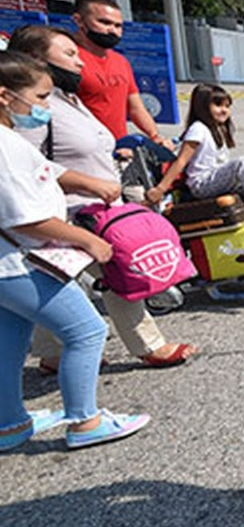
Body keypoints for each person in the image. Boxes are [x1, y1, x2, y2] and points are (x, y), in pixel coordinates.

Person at [9, 25, 197, 371]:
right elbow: (26, 164)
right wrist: (89, 183)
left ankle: (54, 354)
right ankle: (92, 399)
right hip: (67, 213)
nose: (79, 63)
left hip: (95, 207)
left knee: (70, 280)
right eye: (68, 54)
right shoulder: (32, 108)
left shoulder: (68, 99)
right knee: (110, 274)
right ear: (35, 59)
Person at [0, 50, 150, 451]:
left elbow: (47, 172)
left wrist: (90, 184)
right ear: (4, 95)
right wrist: (85, 239)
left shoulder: (8, 139)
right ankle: (85, 421)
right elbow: (20, 218)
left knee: (11, 341)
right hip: (19, 263)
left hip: (7, 267)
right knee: (86, 330)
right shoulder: (3, 147)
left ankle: (9, 423)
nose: (46, 106)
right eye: (42, 96)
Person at [145, 84, 244, 221]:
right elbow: (181, 161)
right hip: (202, 183)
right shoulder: (198, 129)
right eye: (218, 105)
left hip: (214, 177)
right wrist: (160, 189)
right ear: (202, 107)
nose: (224, 110)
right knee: (242, 163)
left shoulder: (218, 127)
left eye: (227, 106)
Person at [70, 0, 173, 150]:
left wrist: (155, 136)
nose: (113, 30)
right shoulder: (68, 59)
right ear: (79, 20)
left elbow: (136, 107)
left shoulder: (121, 62)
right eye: (104, 22)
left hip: (119, 149)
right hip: (83, 151)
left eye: (118, 26)